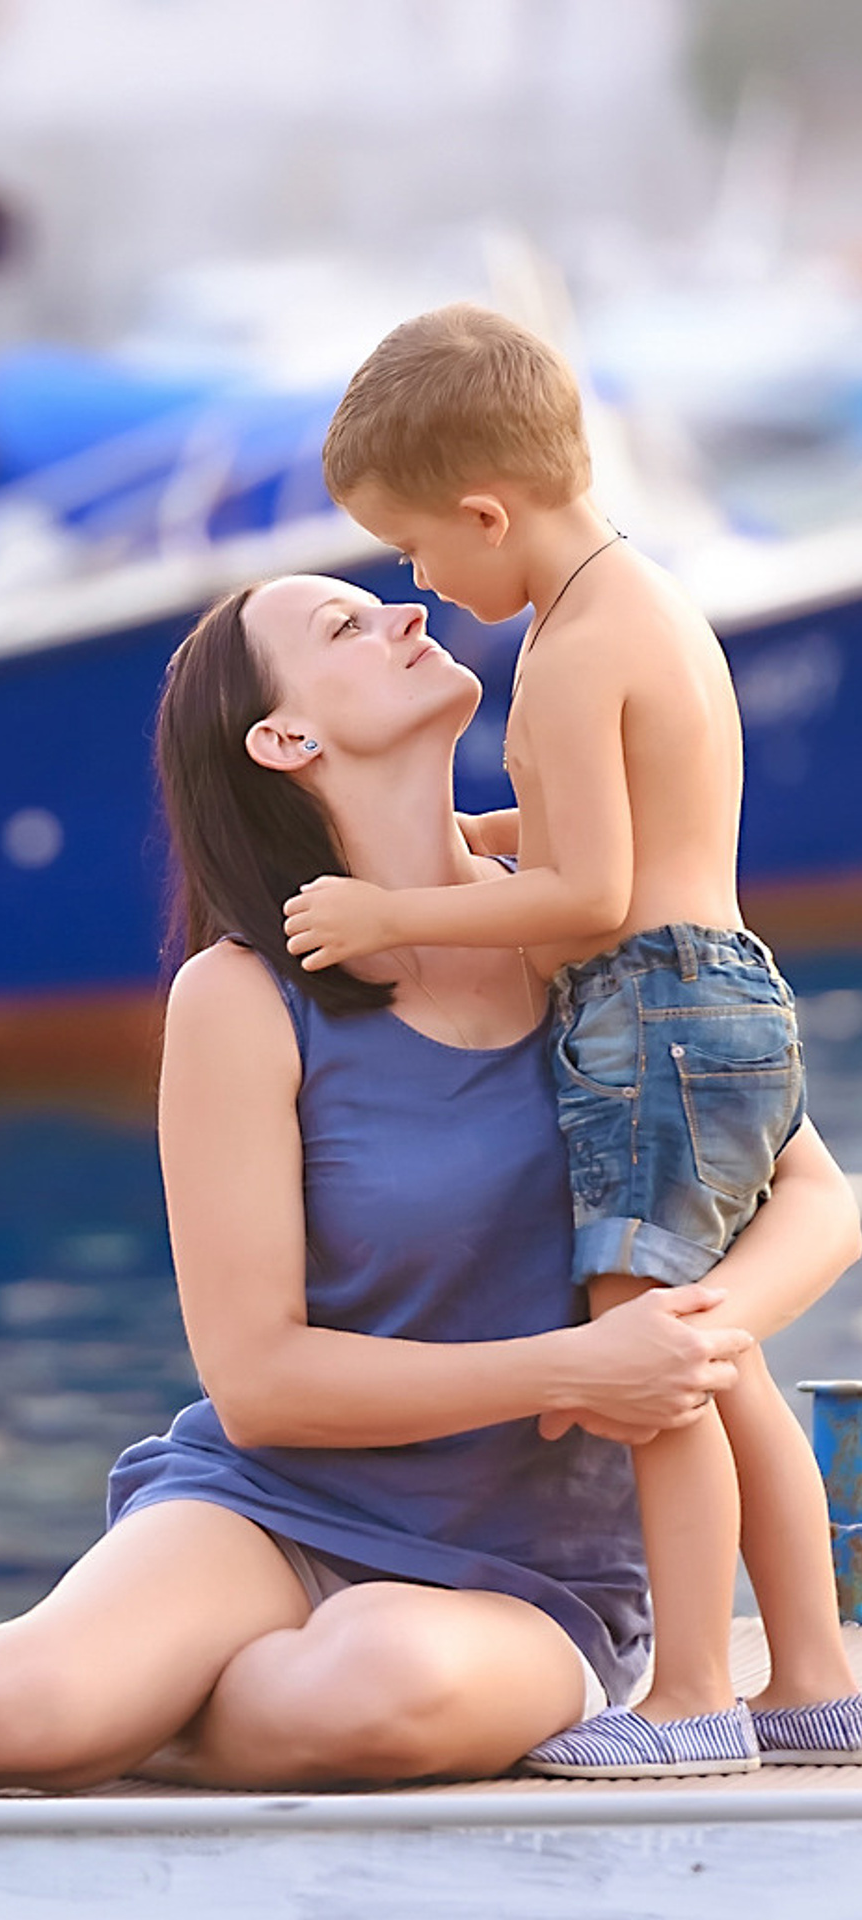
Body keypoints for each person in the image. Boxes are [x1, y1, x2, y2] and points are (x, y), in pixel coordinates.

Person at [0, 573, 859, 1793]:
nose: (409, 610)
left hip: (533, 1578)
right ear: (284, 737)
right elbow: (262, 1383)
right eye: (348, 622)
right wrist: (575, 1357)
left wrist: (685, 1340)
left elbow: (822, 1199)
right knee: (34, 1703)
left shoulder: (599, 940)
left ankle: (107, 1726)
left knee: (371, 1697)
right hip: (273, 1508)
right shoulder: (243, 998)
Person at [283, 303, 862, 1776]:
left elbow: (592, 892)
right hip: (723, 996)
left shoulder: (561, 653)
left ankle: (688, 1694)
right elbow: (619, 825)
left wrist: (377, 910)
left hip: (649, 1008)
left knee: (647, 1353)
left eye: (420, 550)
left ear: (489, 512)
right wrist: (491, 832)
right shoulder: (644, 603)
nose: (417, 582)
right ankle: (811, 1672)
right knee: (718, 1356)